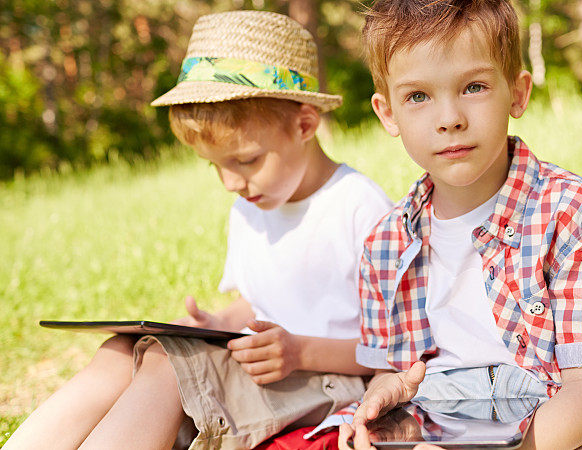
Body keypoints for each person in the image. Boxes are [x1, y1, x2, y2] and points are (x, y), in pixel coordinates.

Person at [335, 0, 582, 448]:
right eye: (418, 96)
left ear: (517, 93)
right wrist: (385, 396)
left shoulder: (579, 217)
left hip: (559, 405)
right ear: (387, 113)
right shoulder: (385, 243)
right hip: (438, 413)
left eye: (474, 87)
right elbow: (391, 372)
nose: (449, 119)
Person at [6, 11, 391, 450]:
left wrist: (300, 351)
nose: (230, 183)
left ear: (305, 124)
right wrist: (213, 324)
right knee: (123, 351)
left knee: (168, 368)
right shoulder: (250, 207)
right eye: (216, 166)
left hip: (328, 381)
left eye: (245, 161)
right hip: (263, 369)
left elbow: (397, 345)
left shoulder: (360, 207)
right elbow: (256, 297)